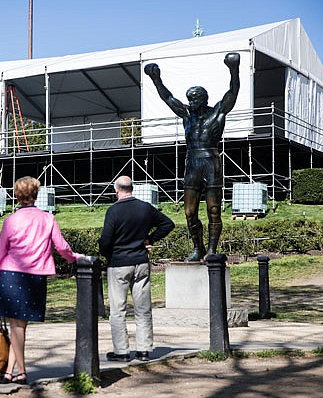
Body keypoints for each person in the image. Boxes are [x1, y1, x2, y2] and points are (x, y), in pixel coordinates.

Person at [144, 53, 240, 261]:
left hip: (211, 161)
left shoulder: (218, 113)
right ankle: (198, 248)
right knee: (189, 212)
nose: (191, 101)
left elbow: (233, 91)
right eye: (189, 98)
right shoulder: (187, 115)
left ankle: (212, 250)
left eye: (194, 98)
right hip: (192, 163)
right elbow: (168, 98)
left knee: (214, 209)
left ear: (203, 99)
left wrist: (234, 68)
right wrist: (156, 79)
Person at [0, 176, 82, 385]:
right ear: (36, 194)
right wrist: (75, 257)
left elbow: (2, 252)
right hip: (35, 275)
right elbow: (62, 247)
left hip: (11, 274)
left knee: (18, 325)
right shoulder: (48, 219)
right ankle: (11, 371)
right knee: (20, 325)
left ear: (16, 195)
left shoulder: (10, 220)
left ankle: (17, 371)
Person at [99, 175, 175, 362]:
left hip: (119, 263)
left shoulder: (113, 211)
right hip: (140, 262)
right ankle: (143, 350)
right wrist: (150, 238)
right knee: (143, 309)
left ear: (116, 190)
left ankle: (122, 351)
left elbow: (106, 241)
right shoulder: (145, 207)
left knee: (118, 310)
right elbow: (168, 224)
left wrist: (108, 255)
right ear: (131, 189)